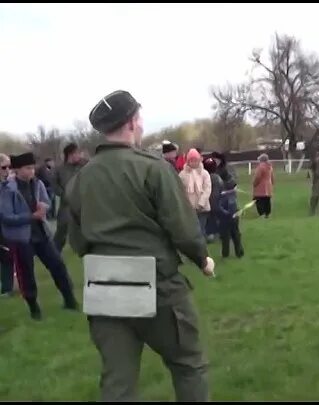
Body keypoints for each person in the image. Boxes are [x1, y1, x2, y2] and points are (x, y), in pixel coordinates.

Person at [67, 89, 214, 401]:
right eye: (140, 118)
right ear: (132, 122)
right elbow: (184, 229)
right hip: (159, 286)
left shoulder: (80, 180)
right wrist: (202, 259)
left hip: (104, 287)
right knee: (188, 366)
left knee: (117, 384)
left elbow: (77, 241)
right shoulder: (152, 167)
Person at [0, 152, 78, 320]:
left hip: (41, 234)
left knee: (58, 265)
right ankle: (34, 309)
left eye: (33, 168)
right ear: (17, 170)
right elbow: (6, 217)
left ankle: (70, 300)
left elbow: (46, 203)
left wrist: (45, 207)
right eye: (28, 168)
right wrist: (31, 216)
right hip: (21, 238)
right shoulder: (7, 189)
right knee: (26, 274)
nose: (32, 171)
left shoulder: (38, 184)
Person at [53, 143, 86, 251]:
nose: (79, 156)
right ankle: (55, 251)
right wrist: (63, 194)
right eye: (76, 153)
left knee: (84, 228)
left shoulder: (85, 166)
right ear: (70, 155)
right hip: (66, 204)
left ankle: (83, 248)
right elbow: (54, 185)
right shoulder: (59, 169)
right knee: (62, 230)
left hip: (82, 203)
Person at [179, 149, 212, 234]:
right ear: (188, 161)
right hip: (189, 208)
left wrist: (201, 203)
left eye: (195, 160)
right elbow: (180, 191)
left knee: (201, 231)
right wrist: (187, 205)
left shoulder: (204, 173)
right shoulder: (182, 175)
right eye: (191, 161)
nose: (194, 163)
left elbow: (207, 189)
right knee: (191, 232)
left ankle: (202, 246)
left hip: (202, 208)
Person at [217, 179, 244, 259]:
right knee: (234, 236)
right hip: (229, 218)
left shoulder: (229, 195)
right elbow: (222, 207)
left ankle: (227, 253)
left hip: (230, 218)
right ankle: (237, 253)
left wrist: (239, 211)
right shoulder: (229, 196)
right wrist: (229, 213)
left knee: (229, 236)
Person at [0, 153, 15, 297]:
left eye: (10, 167)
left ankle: (7, 288)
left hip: (6, 226)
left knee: (6, 257)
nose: (7, 170)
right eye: (4, 167)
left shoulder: (10, 184)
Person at [204, 157, 223, 242]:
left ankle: (210, 234)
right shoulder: (217, 178)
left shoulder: (204, 177)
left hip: (207, 201)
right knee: (215, 217)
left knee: (209, 218)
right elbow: (221, 188)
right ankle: (217, 233)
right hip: (216, 201)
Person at [253, 154, 274, 218]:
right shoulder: (270, 167)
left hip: (261, 186)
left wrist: (254, 183)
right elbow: (272, 177)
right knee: (267, 200)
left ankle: (262, 214)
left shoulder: (260, 167)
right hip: (268, 186)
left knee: (259, 201)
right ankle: (267, 213)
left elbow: (257, 177)